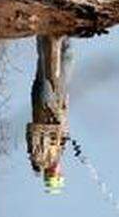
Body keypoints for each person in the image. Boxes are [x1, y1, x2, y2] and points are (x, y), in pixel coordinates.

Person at [26, 35, 74, 193]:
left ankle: (47, 29)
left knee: (54, 61)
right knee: (61, 57)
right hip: (56, 101)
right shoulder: (56, 153)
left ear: (54, 175)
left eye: (58, 175)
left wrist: (58, 129)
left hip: (48, 103)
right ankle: (60, 30)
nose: (60, 171)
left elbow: (35, 130)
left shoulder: (41, 158)